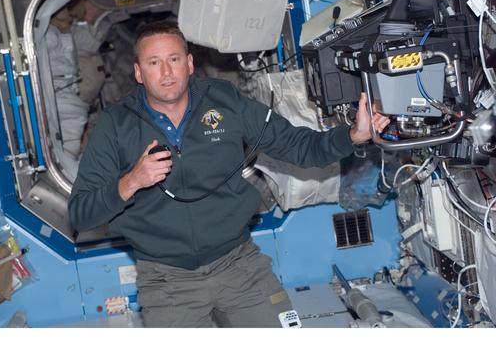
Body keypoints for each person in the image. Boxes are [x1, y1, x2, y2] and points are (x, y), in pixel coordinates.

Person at [68, 21, 390, 327]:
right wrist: (132, 181)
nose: (166, 72)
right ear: (139, 72)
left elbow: (299, 146)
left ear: (189, 64)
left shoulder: (224, 101)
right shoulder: (115, 125)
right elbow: (81, 215)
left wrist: (353, 135)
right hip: (167, 280)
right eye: (154, 63)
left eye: (174, 59)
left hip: (238, 265)